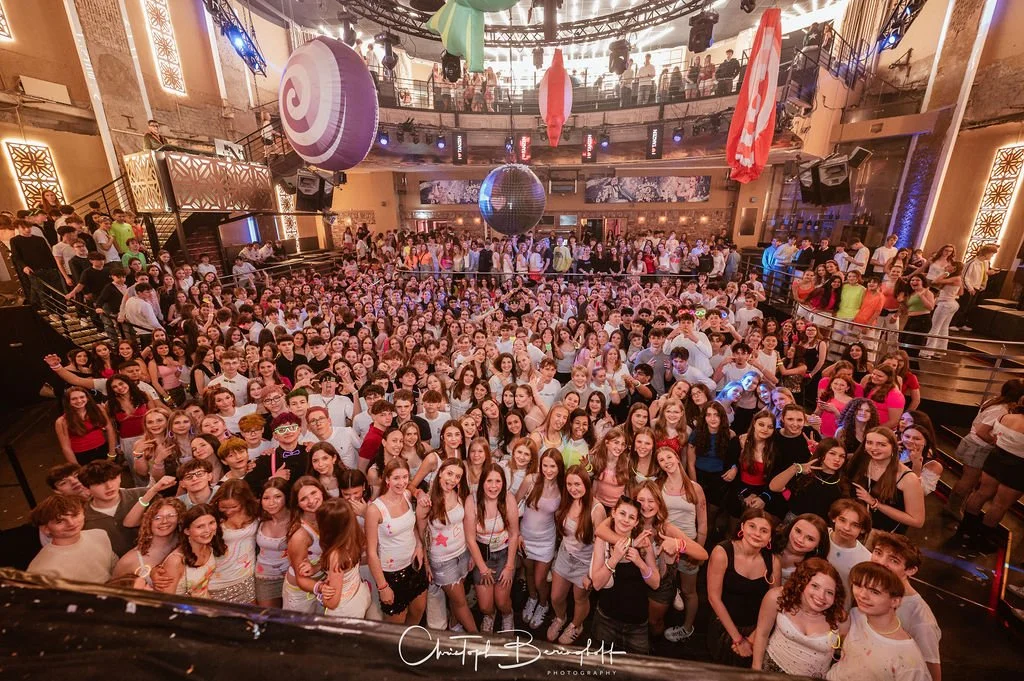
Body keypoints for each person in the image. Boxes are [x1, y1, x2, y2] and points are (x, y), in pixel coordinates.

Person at [826, 562, 930, 681]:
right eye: (858, 585)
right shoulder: (856, 615)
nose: (862, 595)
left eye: (874, 592)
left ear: (895, 601)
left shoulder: (909, 660)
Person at [706, 508, 780, 666]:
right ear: (742, 527)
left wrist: (753, 638)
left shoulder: (773, 562)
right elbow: (714, 598)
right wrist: (738, 640)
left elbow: (775, 606)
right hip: (725, 627)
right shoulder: (723, 552)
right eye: (752, 526)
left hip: (757, 630)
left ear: (770, 538)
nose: (757, 533)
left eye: (764, 530)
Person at [751, 558, 847, 676]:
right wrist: (756, 671)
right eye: (815, 586)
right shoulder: (778, 598)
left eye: (829, 592)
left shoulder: (840, 619)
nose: (821, 596)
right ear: (802, 583)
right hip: (770, 671)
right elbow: (762, 634)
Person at [870, 532, 942, 681]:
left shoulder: (921, 620)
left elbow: (931, 675)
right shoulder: (872, 590)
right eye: (878, 553)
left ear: (911, 570)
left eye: (894, 560)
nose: (880, 563)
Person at [28, 494, 117, 584]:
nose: (71, 523)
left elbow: (115, 567)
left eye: (74, 515)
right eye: (60, 521)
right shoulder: (42, 570)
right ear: (45, 529)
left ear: (83, 513)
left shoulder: (99, 535)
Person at [950, 244, 998, 332]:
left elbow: (984, 272)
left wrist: (989, 273)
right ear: (986, 253)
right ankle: (953, 323)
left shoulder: (985, 263)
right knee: (962, 306)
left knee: (969, 307)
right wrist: (970, 288)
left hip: (977, 287)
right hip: (969, 287)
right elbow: (964, 277)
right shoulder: (972, 262)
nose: (992, 256)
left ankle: (961, 323)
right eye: (991, 254)